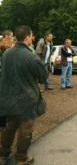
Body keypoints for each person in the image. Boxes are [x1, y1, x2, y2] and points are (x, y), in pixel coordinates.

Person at [0, 25, 46, 164]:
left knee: (10, 126)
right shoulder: (31, 57)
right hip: (26, 100)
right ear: (27, 37)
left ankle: (3, 155)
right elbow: (43, 77)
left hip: (8, 98)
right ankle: (21, 157)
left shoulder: (6, 53)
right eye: (32, 35)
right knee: (25, 129)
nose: (33, 37)